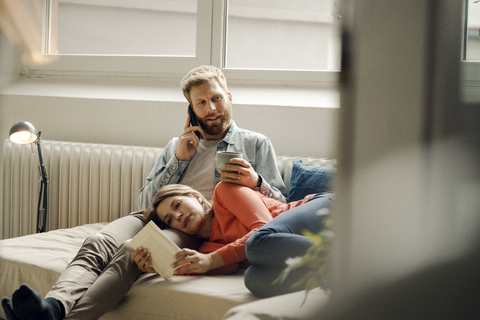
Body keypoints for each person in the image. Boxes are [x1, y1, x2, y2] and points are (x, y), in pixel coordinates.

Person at [2, 65, 287, 320]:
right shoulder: (176, 145)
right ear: (191, 110)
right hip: (162, 211)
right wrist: (179, 159)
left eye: (216, 98)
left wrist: (255, 180)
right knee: (98, 241)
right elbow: (144, 203)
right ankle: (54, 307)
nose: (211, 108)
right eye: (201, 103)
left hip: (195, 224)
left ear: (228, 97)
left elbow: (280, 207)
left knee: (132, 251)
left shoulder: (256, 143)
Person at [133, 182, 332, 297]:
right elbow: (225, 265)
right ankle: (332, 275)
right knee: (254, 279)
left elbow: (263, 226)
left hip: (322, 211)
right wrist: (158, 266)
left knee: (256, 244)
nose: (177, 216)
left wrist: (210, 260)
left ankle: (340, 258)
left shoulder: (224, 191)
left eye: (177, 205)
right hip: (305, 247)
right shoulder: (206, 250)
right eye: (169, 219)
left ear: (196, 197)